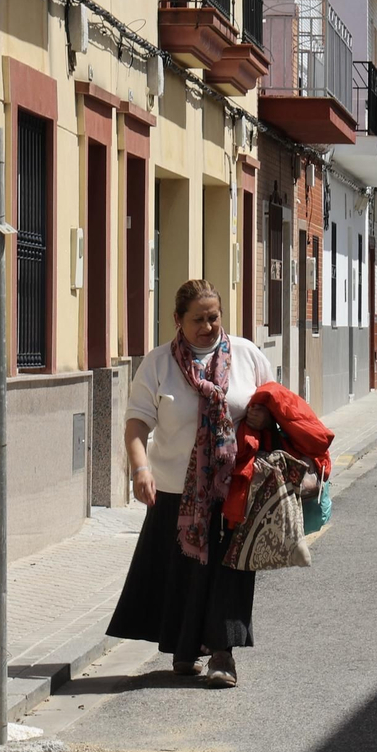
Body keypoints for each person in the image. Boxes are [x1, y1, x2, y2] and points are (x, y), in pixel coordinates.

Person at [107, 279, 276, 688]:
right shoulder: (159, 364)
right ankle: (186, 649)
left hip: (233, 484)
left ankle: (223, 653)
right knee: (181, 570)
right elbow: (135, 423)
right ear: (177, 320)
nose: (208, 326)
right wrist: (139, 468)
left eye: (214, 317)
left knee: (229, 570)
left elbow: (276, 405)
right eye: (198, 319)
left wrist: (262, 418)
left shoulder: (247, 355)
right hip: (173, 490)